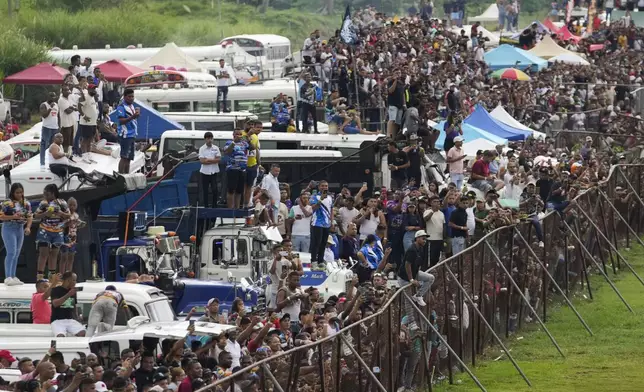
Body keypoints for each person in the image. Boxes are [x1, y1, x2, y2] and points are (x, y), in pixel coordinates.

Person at [34, 184, 70, 279]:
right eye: (44, 194)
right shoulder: (43, 203)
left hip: (58, 231)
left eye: (47, 194)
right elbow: (36, 215)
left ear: (53, 193)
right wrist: (46, 213)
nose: (45, 196)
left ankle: (52, 275)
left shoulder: (62, 203)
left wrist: (60, 213)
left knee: (54, 254)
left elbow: (68, 215)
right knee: (43, 253)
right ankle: (40, 276)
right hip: (44, 230)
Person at [1, 183, 32, 284]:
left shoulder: (26, 203)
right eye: (17, 193)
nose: (19, 194)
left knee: (17, 253)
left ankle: (13, 276)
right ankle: (8, 276)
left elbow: (30, 216)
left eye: (21, 192)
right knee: (11, 252)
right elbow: (1, 217)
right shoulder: (7, 203)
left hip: (20, 228)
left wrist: (28, 227)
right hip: (9, 228)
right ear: (13, 193)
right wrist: (13, 217)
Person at [399, 230, 435, 307]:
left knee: (430, 278)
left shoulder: (421, 248)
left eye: (425, 239)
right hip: (404, 277)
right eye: (423, 238)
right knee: (408, 302)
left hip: (414, 272)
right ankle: (411, 319)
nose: (424, 241)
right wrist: (411, 280)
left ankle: (418, 296)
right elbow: (407, 265)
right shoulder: (412, 250)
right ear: (417, 238)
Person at [50, 272, 86, 337]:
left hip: (70, 320)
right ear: (68, 280)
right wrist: (68, 294)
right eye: (74, 280)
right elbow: (55, 304)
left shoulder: (73, 291)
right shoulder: (56, 290)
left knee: (83, 333)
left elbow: (74, 306)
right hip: (58, 320)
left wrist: (77, 318)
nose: (75, 282)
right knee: (60, 335)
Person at [309, 181, 333, 270]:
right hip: (317, 223)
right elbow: (313, 208)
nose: (324, 187)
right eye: (322, 186)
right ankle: (313, 262)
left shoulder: (330, 198)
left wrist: (331, 221)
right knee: (316, 243)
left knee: (323, 243)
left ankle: (320, 261)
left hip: (326, 224)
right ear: (319, 187)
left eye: (326, 186)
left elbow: (331, 209)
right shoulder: (314, 197)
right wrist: (320, 200)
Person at [115, 89, 139, 174]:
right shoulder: (121, 107)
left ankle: (127, 175)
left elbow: (133, 119)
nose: (131, 98)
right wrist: (133, 117)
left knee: (129, 158)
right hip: (125, 135)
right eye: (129, 97)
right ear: (125, 97)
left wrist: (136, 116)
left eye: (132, 96)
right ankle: (121, 175)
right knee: (124, 157)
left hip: (132, 134)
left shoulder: (132, 106)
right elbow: (121, 121)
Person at [224, 129, 249, 208]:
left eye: (240, 134)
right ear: (233, 135)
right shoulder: (229, 142)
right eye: (237, 134)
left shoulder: (244, 143)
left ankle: (237, 209)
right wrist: (234, 142)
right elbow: (227, 151)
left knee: (239, 191)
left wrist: (249, 139)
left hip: (242, 170)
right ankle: (231, 210)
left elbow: (252, 148)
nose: (238, 136)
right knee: (231, 190)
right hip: (232, 169)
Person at [198, 132, 221, 208]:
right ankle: (206, 206)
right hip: (204, 172)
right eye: (208, 138)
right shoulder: (202, 148)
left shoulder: (216, 148)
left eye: (211, 138)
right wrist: (212, 160)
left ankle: (214, 206)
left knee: (215, 190)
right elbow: (202, 161)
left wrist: (208, 160)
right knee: (205, 190)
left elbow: (218, 159)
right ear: (205, 139)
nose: (210, 140)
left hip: (214, 172)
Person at [78, 84, 99, 163]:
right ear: (88, 90)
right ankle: (84, 156)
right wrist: (83, 116)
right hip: (86, 123)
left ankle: (89, 155)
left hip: (93, 123)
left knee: (90, 140)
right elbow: (79, 106)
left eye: (95, 89)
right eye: (92, 89)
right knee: (85, 140)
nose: (94, 90)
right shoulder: (86, 97)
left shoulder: (93, 97)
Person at [39, 92, 59, 171]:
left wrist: (58, 126)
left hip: (55, 127)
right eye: (51, 97)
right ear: (48, 97)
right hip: (47, 128)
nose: (53, 98)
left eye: (54, 97)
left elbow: (58, 116)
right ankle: (42, 163)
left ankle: (52, 162)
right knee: (44, 145)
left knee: (53, 146)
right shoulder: (44, 105)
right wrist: (50, 108)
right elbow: (44, 115)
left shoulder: (56, 105)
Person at [58, 85, 77, 153]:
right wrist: (72, 108)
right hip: (65, 125)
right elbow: (67, 111)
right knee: (65, 143)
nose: (67, 91)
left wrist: (72, 108)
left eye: (68, 90)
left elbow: (72, 107)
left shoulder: (69, 98)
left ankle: (69, 156)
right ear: (62, 91)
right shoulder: (61, 100)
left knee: (70, 143)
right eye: (65, 90)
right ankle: (64, 156)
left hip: (71, 123)